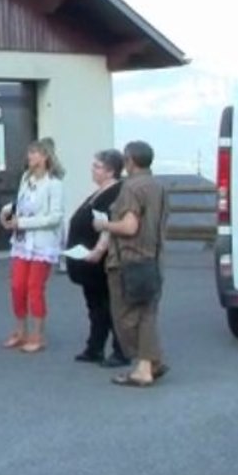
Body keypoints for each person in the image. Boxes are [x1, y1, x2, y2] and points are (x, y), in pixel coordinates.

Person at [88, 140, 170, 387]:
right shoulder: (158, 186)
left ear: (130, 161)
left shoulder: (131, 188)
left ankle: (143, 367)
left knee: (126, 316)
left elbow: (129, 226)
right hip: (154, 258)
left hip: (128, 259)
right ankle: (151, 362)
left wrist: (104, 225)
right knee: (147, 313)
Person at [0, 137, 66, 353]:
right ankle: (20, 331)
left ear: (45, 156)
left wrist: (24, 223)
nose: (30, 157)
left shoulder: (54, 184)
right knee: (17, 286)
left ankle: (38, 335)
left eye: (34, 153)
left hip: (42, 244)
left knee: (34, 288)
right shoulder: (26, 178)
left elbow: (55, 217)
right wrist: (7, 212)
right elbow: (21, 203)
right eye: (29, 153)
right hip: (22, 242)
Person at [65, 149, 129, 367]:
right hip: (86, 261)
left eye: (97, 166)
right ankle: (95, 347)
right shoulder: (98, 193)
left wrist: (98, 251)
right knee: (95, 306)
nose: (93, 170)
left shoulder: (115, 193)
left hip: (100, 261)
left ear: (111, 171)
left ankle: (121, 350)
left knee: (109, 305)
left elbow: (108, 226)